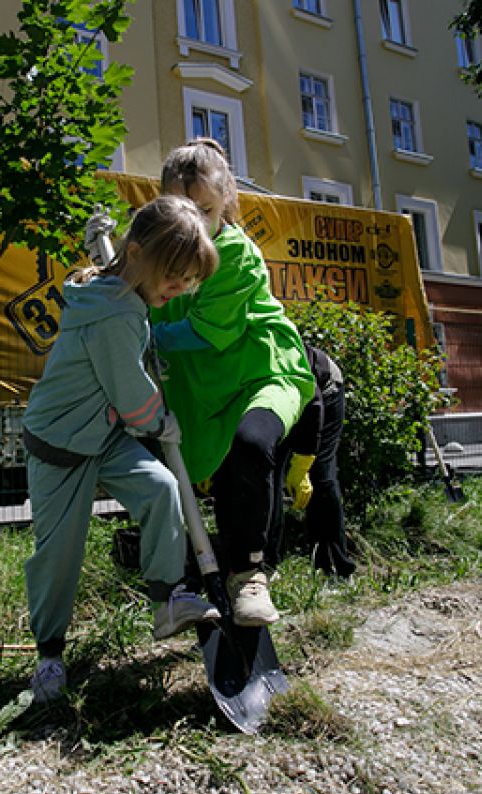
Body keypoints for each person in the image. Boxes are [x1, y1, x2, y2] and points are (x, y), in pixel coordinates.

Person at [22, 195, 222, 704]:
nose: (180, 289)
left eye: (189, 281)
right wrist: (160, 421)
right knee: (59, 555)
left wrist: (102, 248)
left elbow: (117, 280)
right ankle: (49, 656)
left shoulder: (122, 291)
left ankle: (166, 598)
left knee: (160, 488)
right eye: (173, 277)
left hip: (103, 436)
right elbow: (130, 393)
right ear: (135, 256)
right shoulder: (113, 313)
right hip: (60, 445)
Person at [151, 138, 316, 627]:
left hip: (260, 370)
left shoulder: (233, 252)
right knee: (208, 477)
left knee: (249, 445)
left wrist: (143, 334)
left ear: (225, 199)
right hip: (201, 387)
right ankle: (183, 581)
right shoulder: (159, 252)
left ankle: (249, 576)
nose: (196, 221)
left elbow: (204, 331)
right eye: (183, 209)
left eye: (205, 208)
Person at [275, 343, 356, 578]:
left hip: (322, 394)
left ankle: (338, 568)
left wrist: (302, 466)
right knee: (267, 474)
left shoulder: (274, 346)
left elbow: (314, 405)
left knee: (321, 476)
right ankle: (267, 564)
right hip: (279, 400)